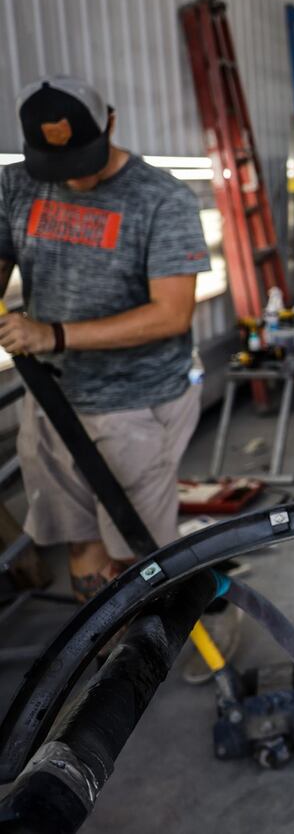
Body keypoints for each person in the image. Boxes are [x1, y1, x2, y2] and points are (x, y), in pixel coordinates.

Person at [0, 77, 210, 601]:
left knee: (137, 561)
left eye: (82, 160)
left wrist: (54, 335)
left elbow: (173, 314)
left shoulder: (161, 198)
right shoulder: (15, 184)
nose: (71, 178)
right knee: (81, 547)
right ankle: (106, 674)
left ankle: (172, 646)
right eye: (57, 166)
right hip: (50, 399)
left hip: (134, 404)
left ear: (110, 123)